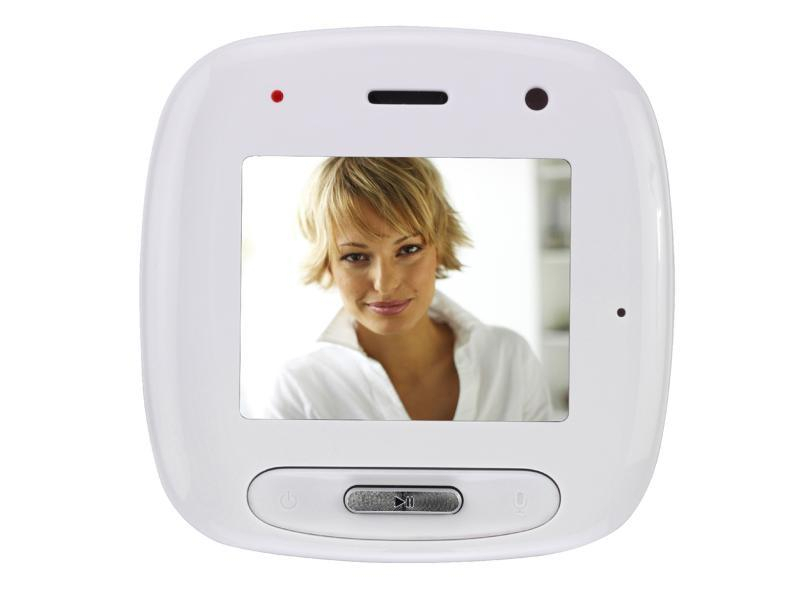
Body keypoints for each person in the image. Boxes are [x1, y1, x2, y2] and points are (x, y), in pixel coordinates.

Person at [267, 157, 559, 421]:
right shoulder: (301, 390)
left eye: (408, 249)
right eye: (355, 257)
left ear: (439, 249)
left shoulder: (509, 359)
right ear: (328, 264)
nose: (384, 284)